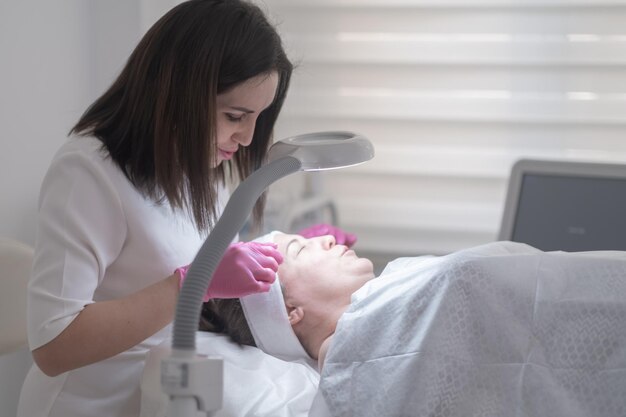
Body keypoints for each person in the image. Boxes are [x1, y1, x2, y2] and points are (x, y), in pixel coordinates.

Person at [17, 2, 354, 416]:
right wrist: (193, 282)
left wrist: (285, 262)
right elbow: (54, 346)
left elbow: (200, 272)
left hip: (166, 396)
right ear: (181, 92)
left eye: (257, 119)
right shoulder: (88, 172)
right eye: (235, 116)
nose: (247, 138)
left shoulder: (200, 169)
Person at [201, 232, 626, 417]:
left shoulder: (392, 299)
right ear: (290, 310)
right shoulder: (354, 366)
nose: (328, 240)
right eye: (301, 248)